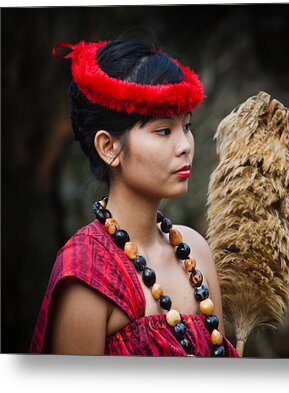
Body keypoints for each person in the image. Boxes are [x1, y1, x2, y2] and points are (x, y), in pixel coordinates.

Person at [29, 39, 238, 357]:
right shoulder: (87, 274)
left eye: (187, 126)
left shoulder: (195, 251)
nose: (185, 146)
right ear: (108, 147)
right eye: (164, 131)